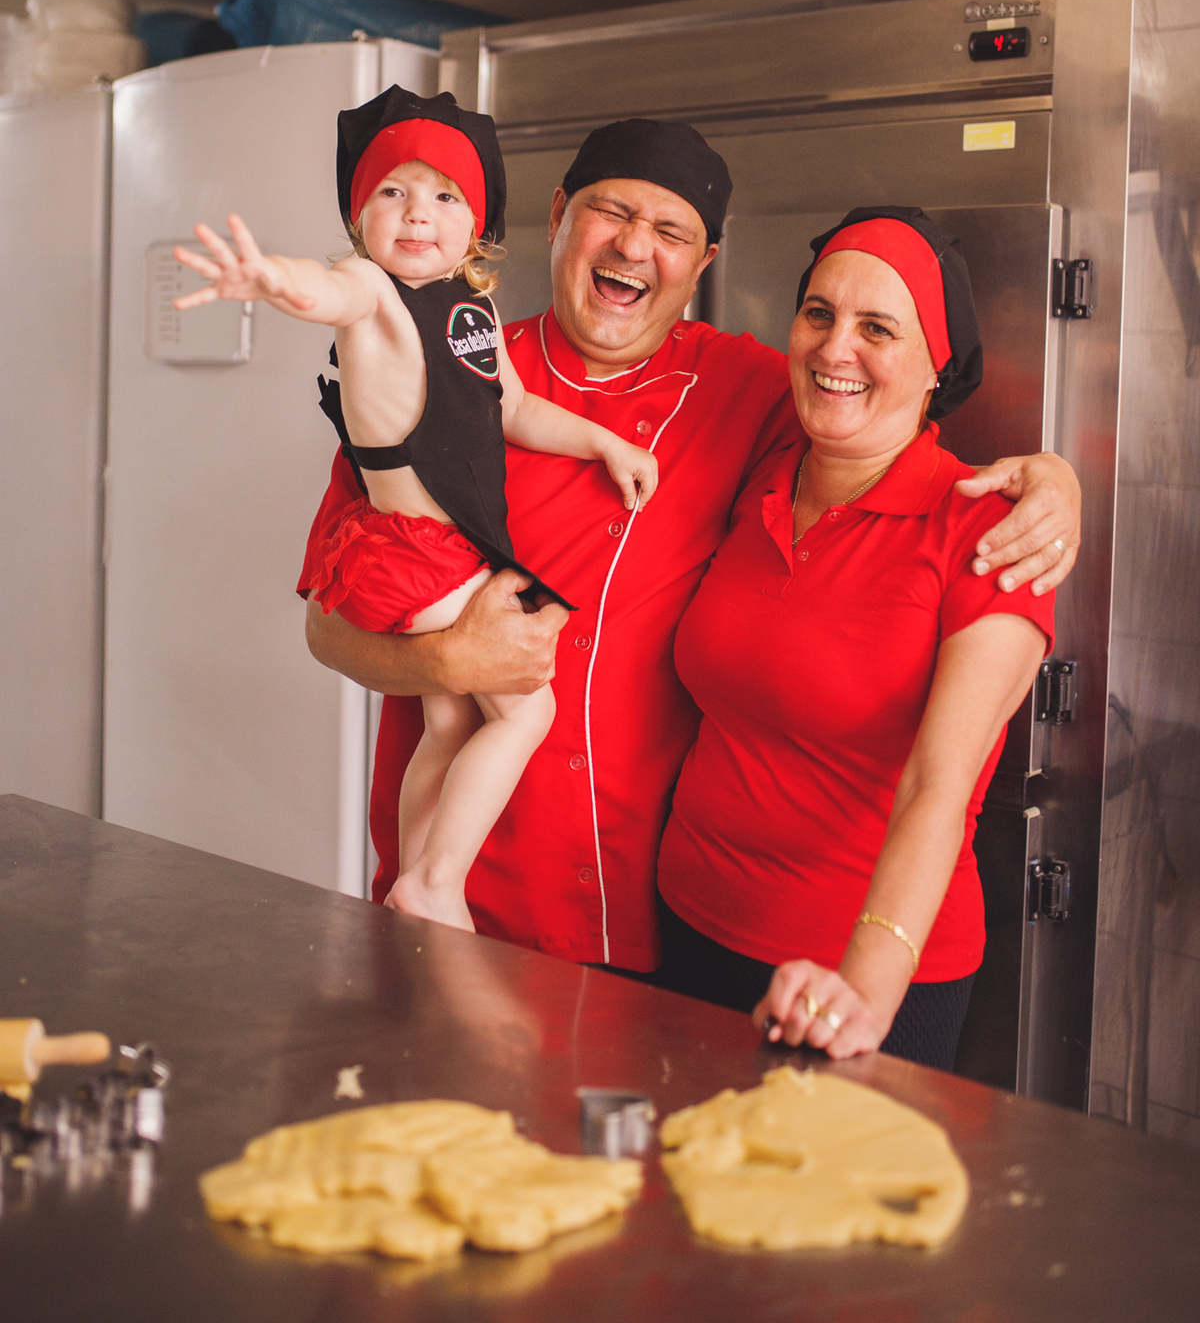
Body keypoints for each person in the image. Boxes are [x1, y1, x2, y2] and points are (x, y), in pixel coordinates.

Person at [305, 121, 1083, 974]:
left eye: (671, 232)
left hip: (649, 909)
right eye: (611, 212)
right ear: (559, 214)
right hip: (452, 892)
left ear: (703, 262)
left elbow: (892, 434)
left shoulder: (753, 389)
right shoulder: (435, 365)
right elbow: (326, 628)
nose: (635, 246)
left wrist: (1055, 478)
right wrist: (452, 661)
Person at [173, 87, 655, 931]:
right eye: (392, 192)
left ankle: (414, 891)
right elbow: (323, 293)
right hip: (406, 549)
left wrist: (602, 443)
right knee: (529, 706)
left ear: (478, 225)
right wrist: (269, 280)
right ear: (360, 219)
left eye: (445, 196)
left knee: (449, 718)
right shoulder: (370, 289)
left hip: (445, 550)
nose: (418, 215)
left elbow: (511, 410)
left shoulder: (473, 310)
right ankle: (437, 882)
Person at [655, 208, 1054, 1071]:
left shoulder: (987, 536)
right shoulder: (761, 472)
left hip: (858, 973)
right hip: (687, 929)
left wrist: (863, 992)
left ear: (937, 364)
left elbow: (938, 790)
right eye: (820, 314)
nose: (837, 350)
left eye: (879, 328)